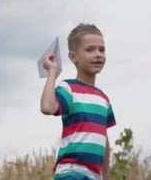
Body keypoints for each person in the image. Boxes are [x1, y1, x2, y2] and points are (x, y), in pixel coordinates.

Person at [40, 23, 116, 180]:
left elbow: (104, 139)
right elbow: (47, 107)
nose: (98, 54)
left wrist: (106, 177)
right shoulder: (69, 89)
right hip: (71, 171)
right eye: (90, 50)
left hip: (94, 175)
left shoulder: (103, 99)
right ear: (73, 56)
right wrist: (52, 73)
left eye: (101, 50)